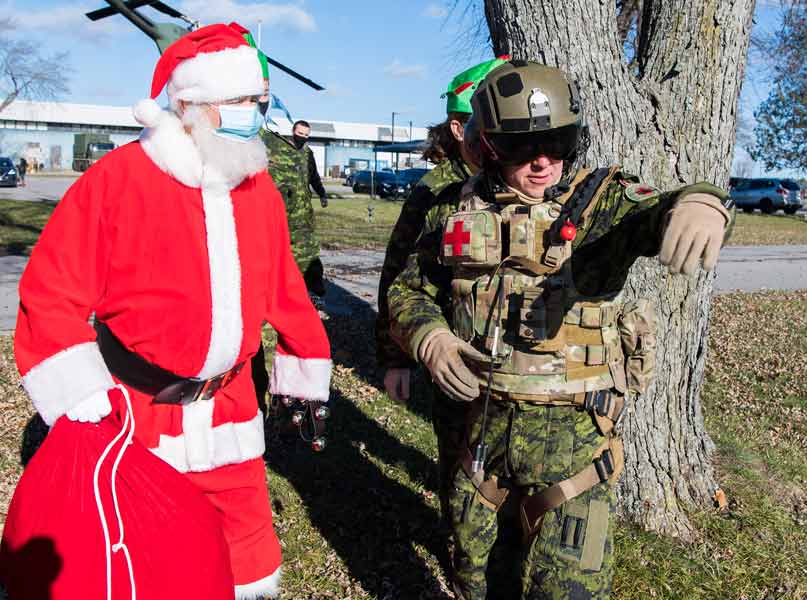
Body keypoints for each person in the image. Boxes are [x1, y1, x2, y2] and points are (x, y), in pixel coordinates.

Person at [387, 61, 734, 599]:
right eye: (524, 147)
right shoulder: (455, 210)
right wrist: (428, 337)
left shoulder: (598, 202)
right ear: (489, 145)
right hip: (480, 449)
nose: (544, 161)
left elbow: (655, 212)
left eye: (558, 141)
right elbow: (408, 290)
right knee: (473, 583)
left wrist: (701, 202)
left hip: (572, 462)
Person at [13, 23, 332, 599]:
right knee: (146, 555)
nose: (254, 115)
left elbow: (285, 287)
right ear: (188, 105)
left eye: (258, 103)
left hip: (231, 409)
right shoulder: (116, 181)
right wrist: (84, 399)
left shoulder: (258, 189)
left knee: (244, 561)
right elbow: (50, 293)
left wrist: (305, 363)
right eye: (239, 102)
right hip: (137, 412)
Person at [376, 56, 509, 527]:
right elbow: (399, 277)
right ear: (459, 128)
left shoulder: (515, 179)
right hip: (454, 361)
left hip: (515, 369)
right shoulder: (437, 192)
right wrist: (397, 358)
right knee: (461, 475)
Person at [263, 119, 328, 299]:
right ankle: (280, 287)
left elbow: (314, 177)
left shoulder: (307, 154)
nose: (303, 138)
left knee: (309, 249)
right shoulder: (278, 149)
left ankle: (312, 286)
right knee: (279, 248)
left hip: (303, 211)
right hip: (283, 210)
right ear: (293, 132)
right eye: (300, 134)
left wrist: (322, 194)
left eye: (306, 136)